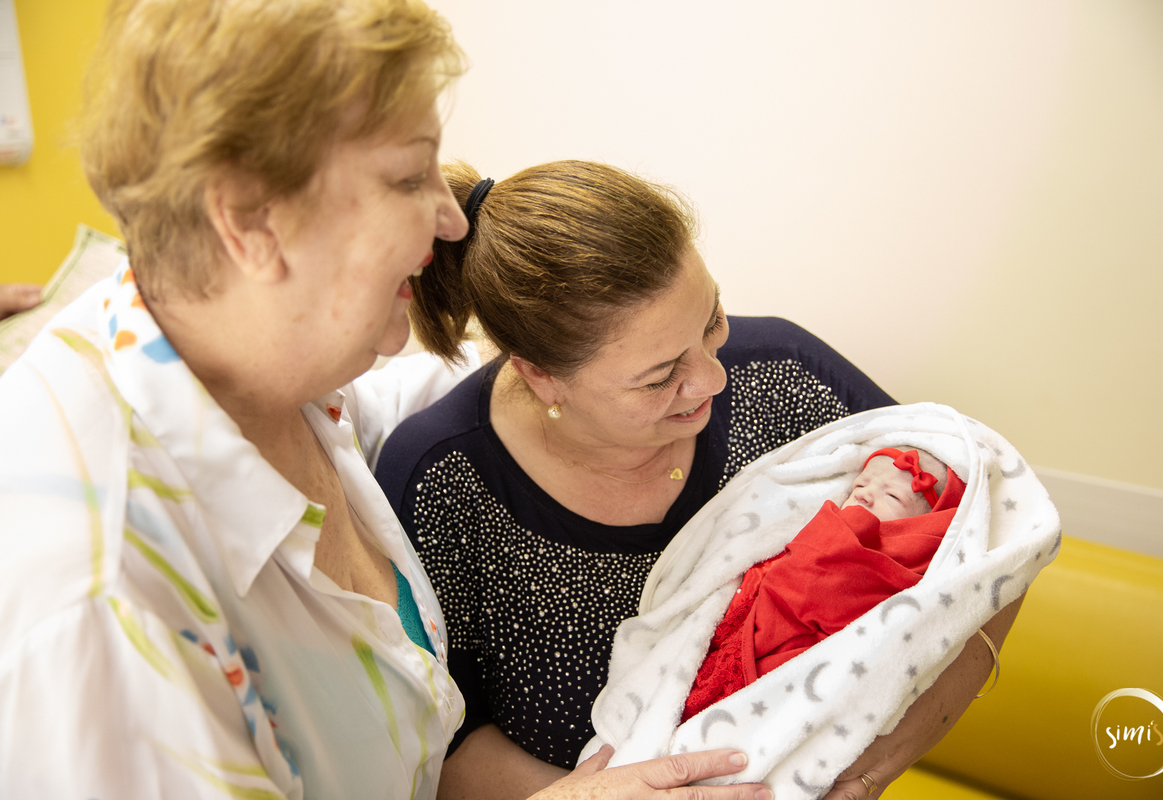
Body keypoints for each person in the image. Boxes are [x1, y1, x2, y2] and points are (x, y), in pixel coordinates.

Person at [0, 3, 768, 799]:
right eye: (408, 177)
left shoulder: (262, 369)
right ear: (251, 221)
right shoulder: (104, 617)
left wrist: (588, 355)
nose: (450, 218)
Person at [376, 160, 1023, 800]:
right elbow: (441, 740)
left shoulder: (787, 374)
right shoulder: (441, 483)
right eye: (660, 377)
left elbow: (995, 534)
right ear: (541, 376)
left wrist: (867, 773)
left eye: (712, 320)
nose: (714, 379)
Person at [682, 447, 965, 722]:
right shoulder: (831, 527)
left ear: (926, 524)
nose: (864, 495)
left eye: (892, 496)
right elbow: (793, 574)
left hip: (800, 678)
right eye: (860, 485)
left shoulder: (918, 575)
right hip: (758, 631)